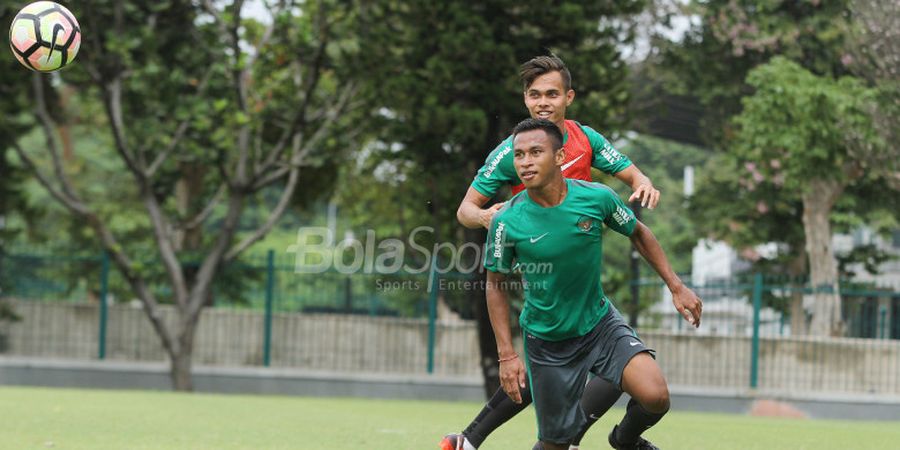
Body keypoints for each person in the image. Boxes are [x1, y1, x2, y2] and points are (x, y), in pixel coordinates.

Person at [442, 55, 660, 450]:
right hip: (540, 260)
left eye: (552, 94)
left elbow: (628, 171)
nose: (543, 102)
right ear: (525, 100)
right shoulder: (512, 151)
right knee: (562, 351)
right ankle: (492, 438)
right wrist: (490, 218)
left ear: (568, 97)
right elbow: (465, 210)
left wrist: (643, 180)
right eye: (534, 95)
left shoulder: (586, 139)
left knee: (604, 365)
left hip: (581, 255)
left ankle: (477, 439)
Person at [483, 118, 702, 449]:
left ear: (559, 157)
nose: (526, 162)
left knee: (655, 395)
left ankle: (625, 440)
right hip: (548, 342)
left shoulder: (598, 198)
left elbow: (639, 234)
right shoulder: (506, 221)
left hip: (600, 325)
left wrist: (676, 286)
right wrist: (506, 355)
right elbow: (495, 284)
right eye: (519, 155)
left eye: (536, 152)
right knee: (556, 443)